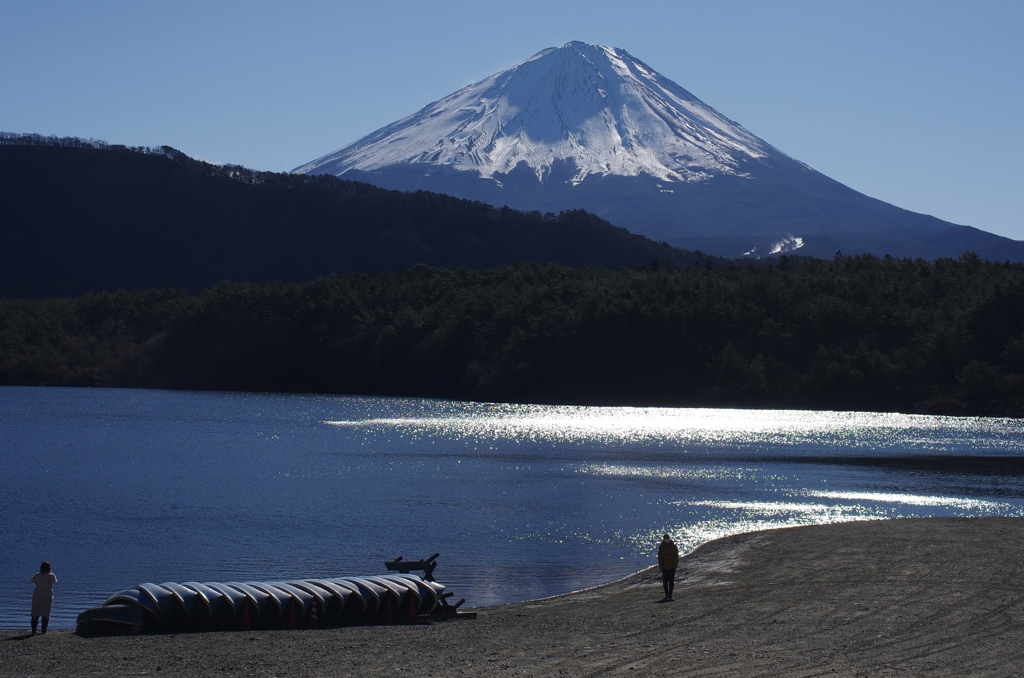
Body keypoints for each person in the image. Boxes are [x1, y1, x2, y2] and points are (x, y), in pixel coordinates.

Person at [31, 561, 57, 634]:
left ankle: (33, 630)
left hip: (37, 595)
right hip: (47, 595)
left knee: (35, 612)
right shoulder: (51, 576)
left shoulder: (37, 575)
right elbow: (54, 582)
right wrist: (51, 572)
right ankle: (43, 630)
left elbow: (33, 580)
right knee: (46, 613)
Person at [657, 534, 679, 601]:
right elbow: (660, 558)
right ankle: (666, 594)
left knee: (671, 581)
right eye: (665, 538)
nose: (667, 539)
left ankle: (670, 594)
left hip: (672, 567)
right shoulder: (661, 547)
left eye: (667, 538)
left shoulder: (673, 546)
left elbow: (676, 557)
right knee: (665, 581)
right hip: (665, 567)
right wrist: (661, 566)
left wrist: (675, 565)